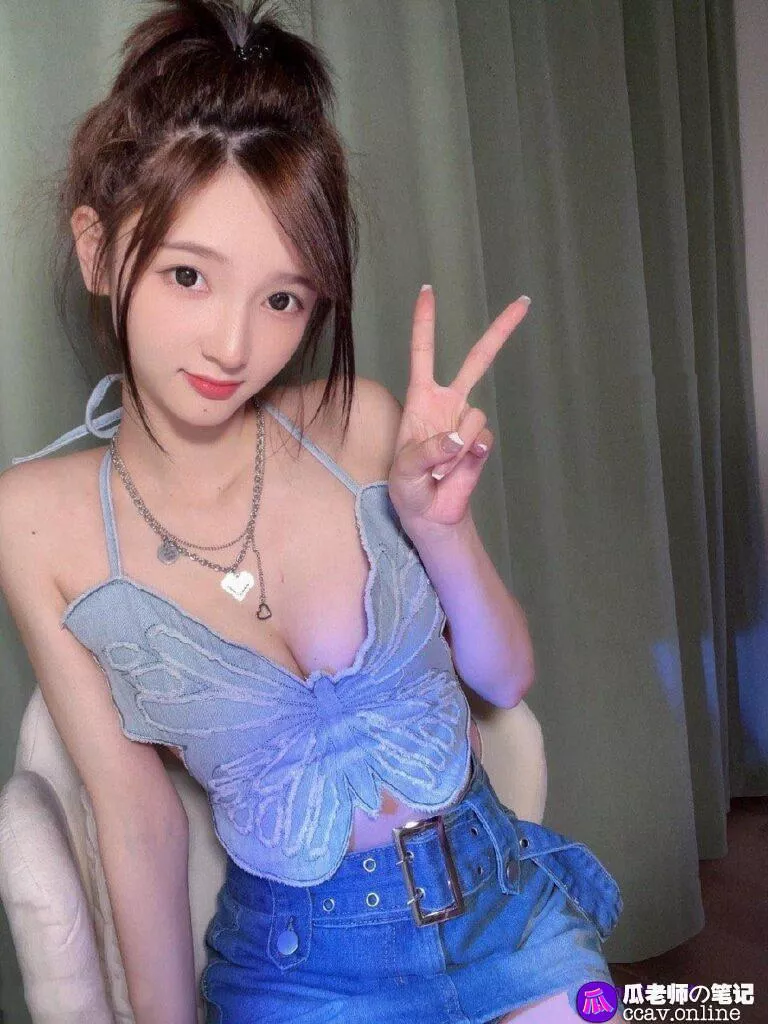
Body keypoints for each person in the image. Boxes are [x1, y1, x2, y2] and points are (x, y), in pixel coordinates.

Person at [0, 2, 625, 1021]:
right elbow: (140, 821)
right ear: (99, 250)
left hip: (504, 907)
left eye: (283, 298)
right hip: (298, 964)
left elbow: (506, 680)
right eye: (189, 276)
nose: (233, 345)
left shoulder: (359, 424)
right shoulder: (36, 523)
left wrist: (441, 530)